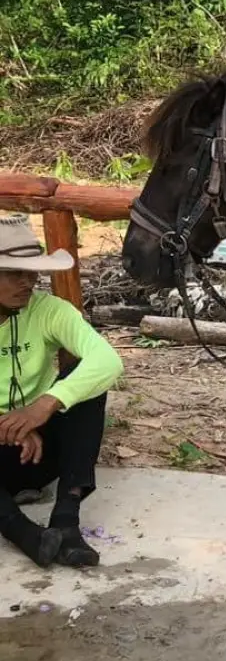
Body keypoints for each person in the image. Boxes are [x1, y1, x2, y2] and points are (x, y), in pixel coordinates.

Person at [0, 214, 123, 568]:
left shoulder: (48, 310)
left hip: (40, 450)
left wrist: (44, 406)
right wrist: (10, 427)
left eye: (31, 273)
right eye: (15, 273)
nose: (28, 282)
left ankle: (66, 522)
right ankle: (24, 533)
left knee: (86, 384)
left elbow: (108, 360)